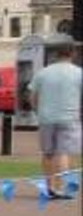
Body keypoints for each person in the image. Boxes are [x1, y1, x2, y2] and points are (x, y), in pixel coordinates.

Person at [28, 43, 82, 199]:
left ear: (56, 55)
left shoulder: (43, 73)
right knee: (63, 154)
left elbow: (32, 97)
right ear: (73, 54)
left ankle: (49, 188)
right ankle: (61, 188)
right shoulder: (79, 73)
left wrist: (38, 112)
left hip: (46, 118)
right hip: (69, 117)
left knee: (47, 154)